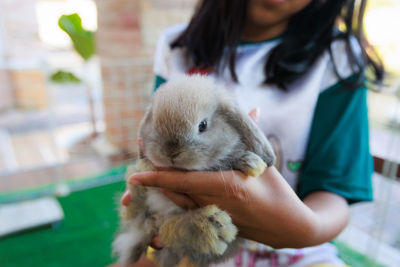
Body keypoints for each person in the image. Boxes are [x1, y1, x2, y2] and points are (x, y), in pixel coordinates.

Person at [119, 0, 384, 266]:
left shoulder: (337, 57)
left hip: (297, 252)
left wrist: (305, 229)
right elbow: (154, 141)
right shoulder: (177, 46)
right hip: (193, 240)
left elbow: (333, 189)